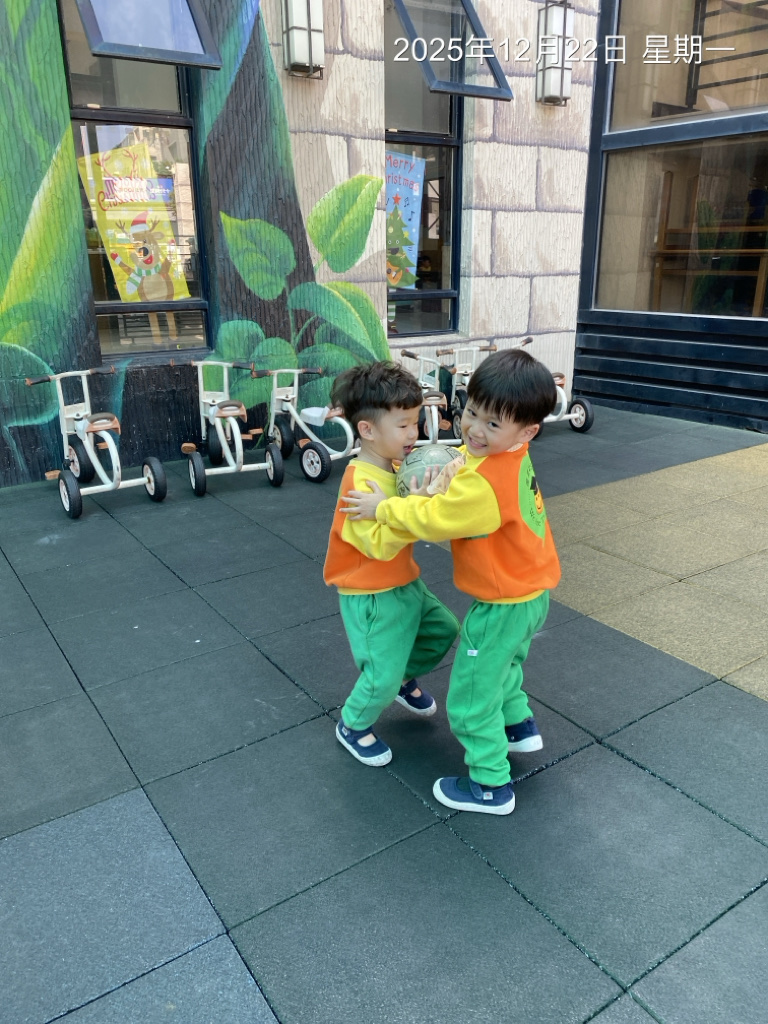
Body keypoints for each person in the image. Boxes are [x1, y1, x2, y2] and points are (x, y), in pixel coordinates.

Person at [342, 348, 560, 814]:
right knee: (505, 665)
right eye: (472, 413)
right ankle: (519, 725)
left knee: (470, 694)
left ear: (527, 431)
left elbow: (435, 519)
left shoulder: (483, 486)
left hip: (502, 603)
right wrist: (452, 461)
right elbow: (470, 458)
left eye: (492, 424)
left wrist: (385, 507)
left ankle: (490, 784)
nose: (475, 430)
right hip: (531, 593)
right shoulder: (511, 454)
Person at [324, 361, 460, 767]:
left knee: (443, 629)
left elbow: (414, 515)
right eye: (403, 425)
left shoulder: (398, 467)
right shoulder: (360, 484)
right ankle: (353, 724)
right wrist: (413, 506)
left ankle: (401, 678)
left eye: (414, 422)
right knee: (378, 676)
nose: (413, 433)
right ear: (367, 430)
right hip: (371, 594)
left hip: (403, 582)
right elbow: (380, 546)